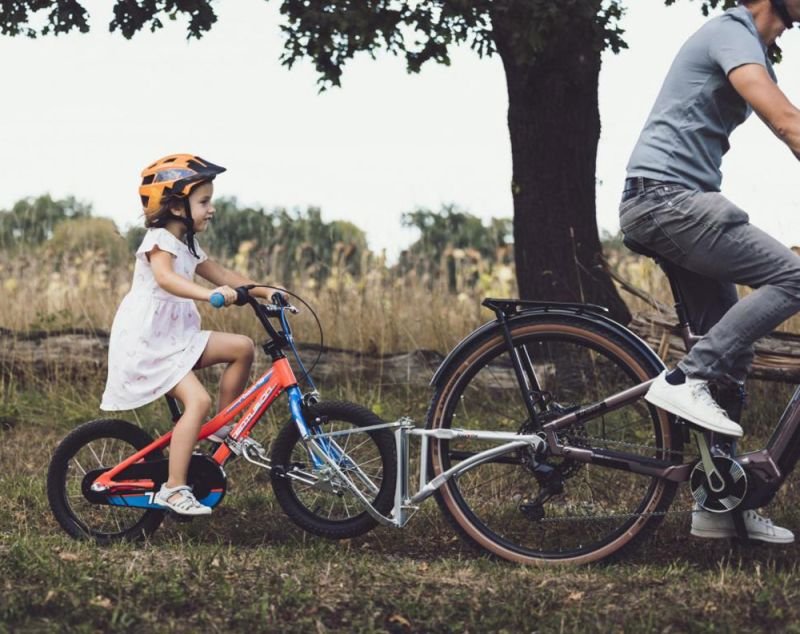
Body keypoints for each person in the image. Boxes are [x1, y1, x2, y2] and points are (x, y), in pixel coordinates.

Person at [620, 0, 800, 543]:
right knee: (794, 277)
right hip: (666, 200)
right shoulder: (731, 31)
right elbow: (786, 121)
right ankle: (684, 378)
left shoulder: (751, 45)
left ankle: (719, 499)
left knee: (732, 355)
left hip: (673, 202)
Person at [101, 154, 272, 516]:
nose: (211, 209)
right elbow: (166, 278)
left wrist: (265, 291)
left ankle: (223, 427)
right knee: (197, 401)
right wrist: (208, 296)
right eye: (204, 202)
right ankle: (174, 488)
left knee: (242, 348)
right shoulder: (159, 240)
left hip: (176, 337)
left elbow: (223, 275)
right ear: (177, 206)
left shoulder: (189, 245)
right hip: (150, 343)